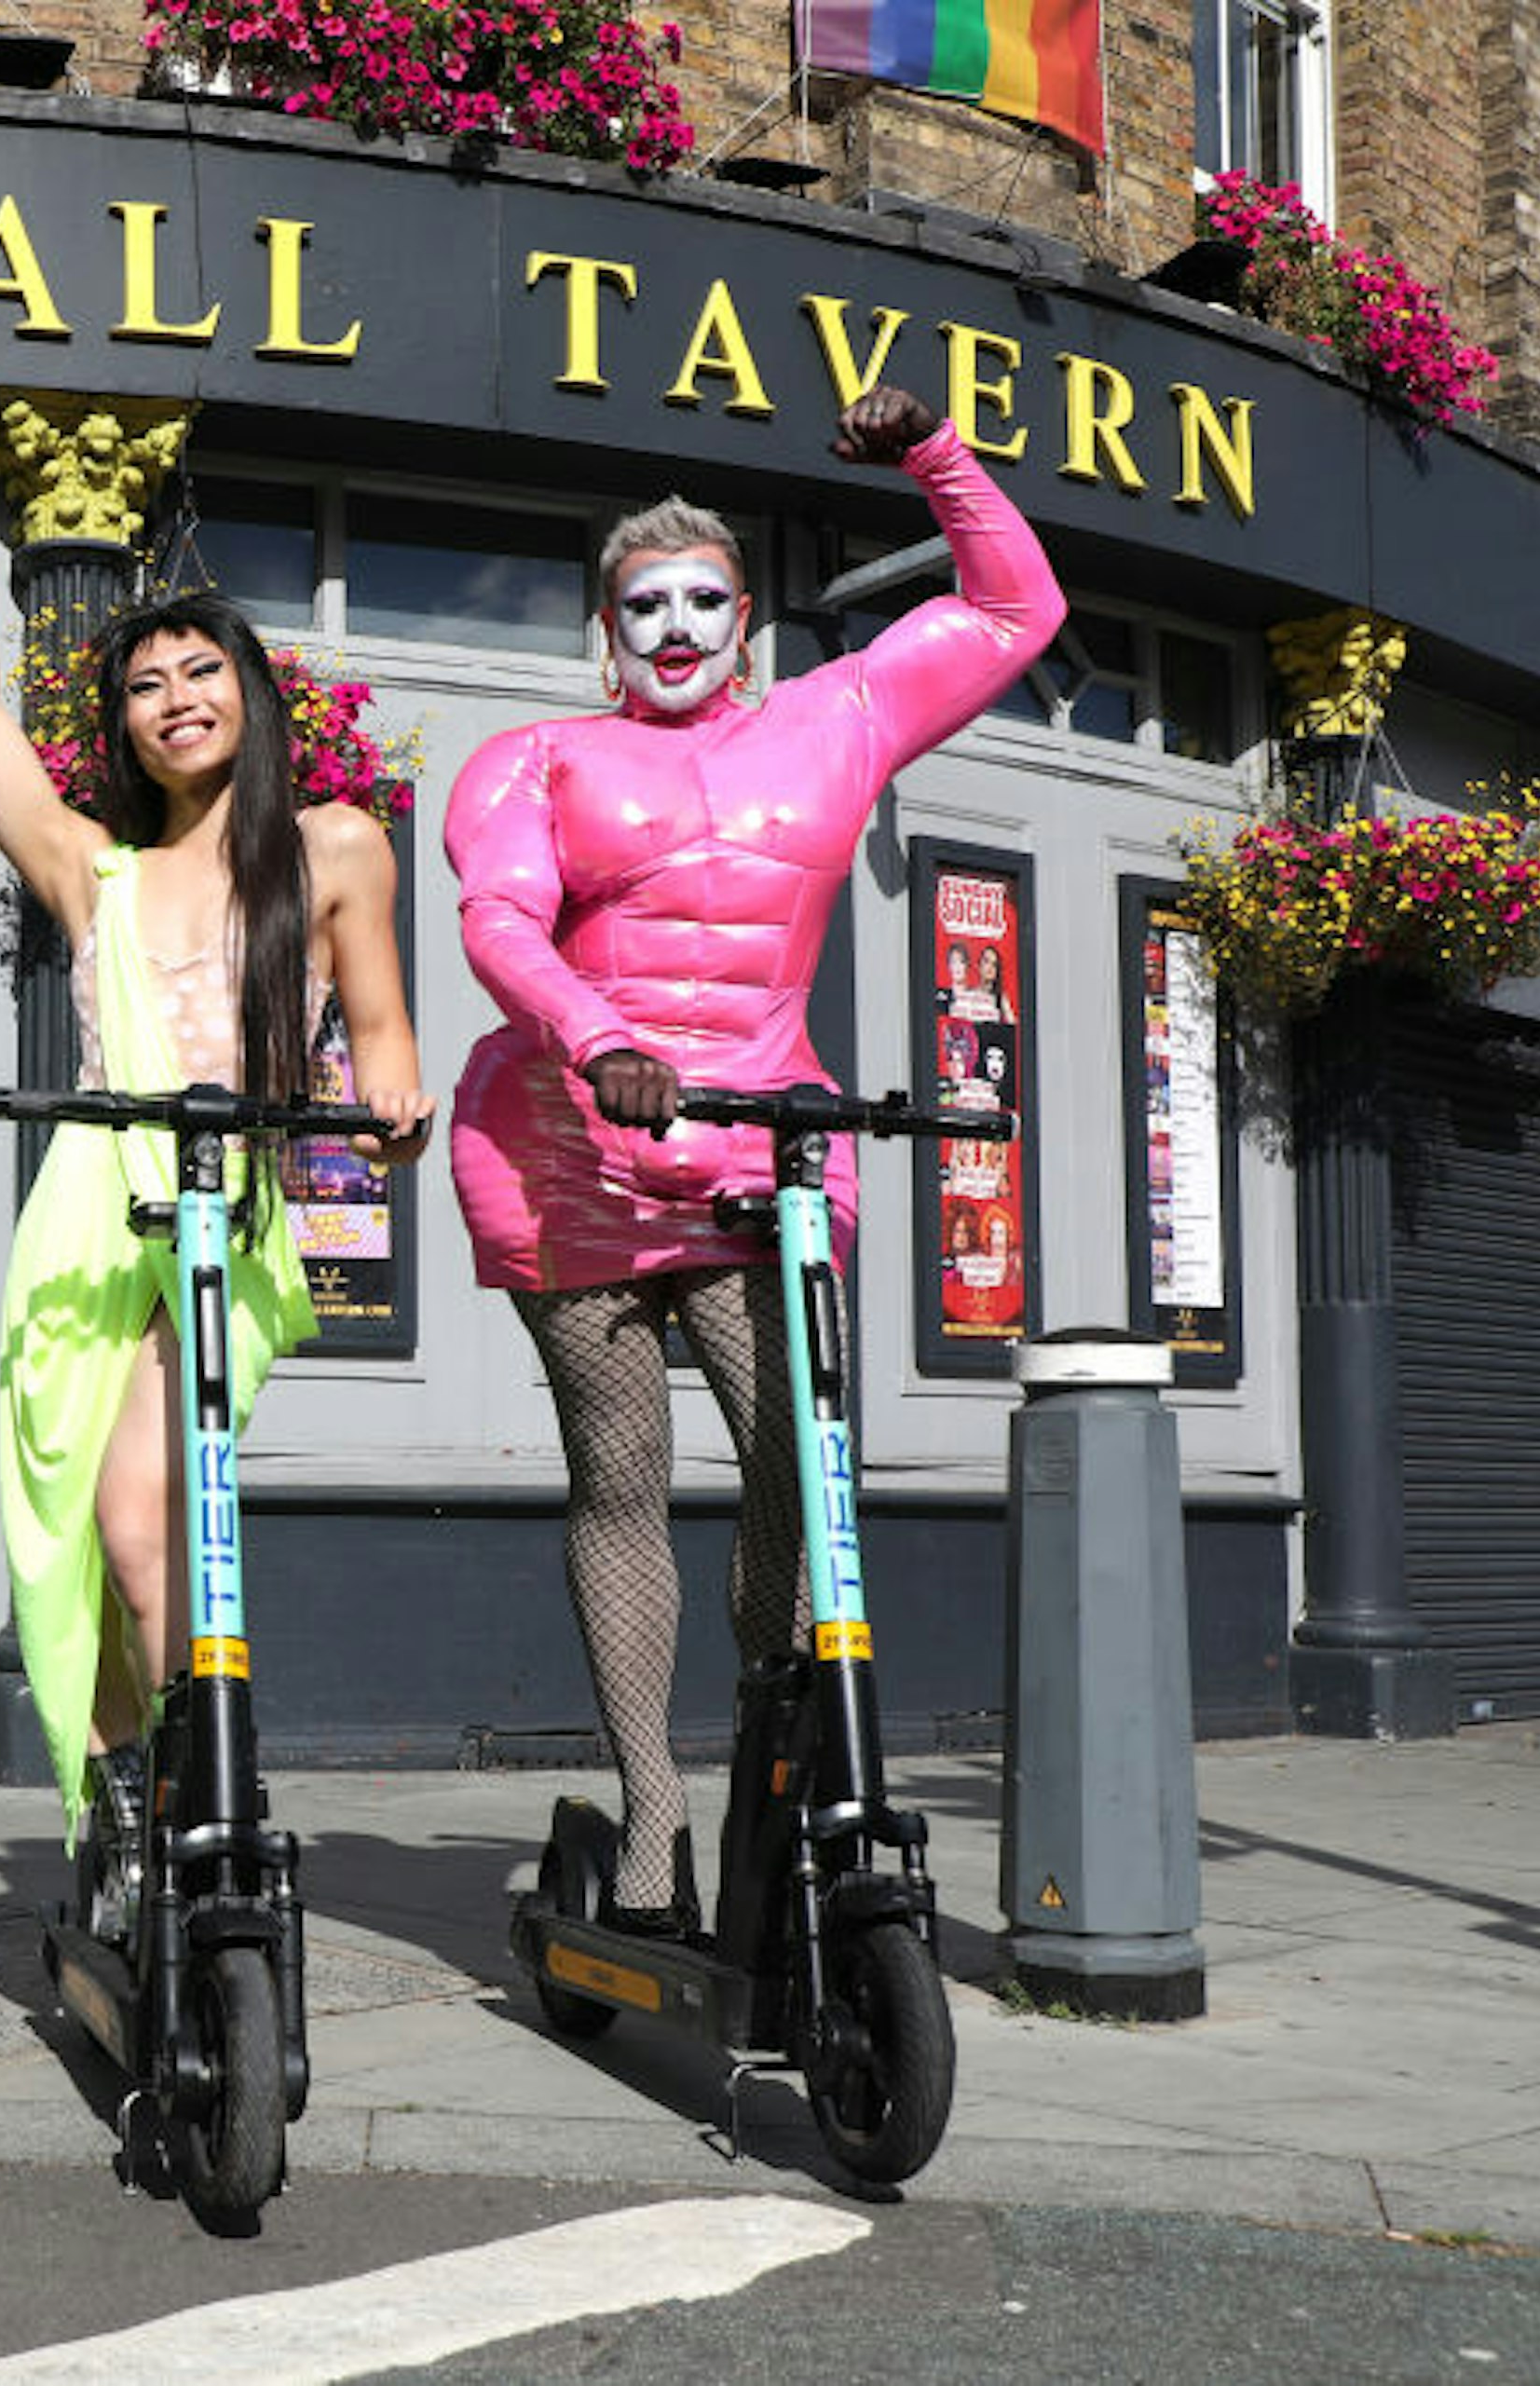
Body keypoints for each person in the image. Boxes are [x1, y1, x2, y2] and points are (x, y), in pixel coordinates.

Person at [441, 385, 1064, 1933]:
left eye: (703, 598)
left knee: (797, 1460)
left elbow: (1017, 602)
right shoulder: (534, 759)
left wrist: (935, 458)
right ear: (604, 633)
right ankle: (650, 1804)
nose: (672, 625)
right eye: (641, 605)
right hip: (571, 1142)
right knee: (623, 1471)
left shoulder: (839, 713)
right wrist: (598, 1043)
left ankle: (773, 1761)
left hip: (760, 1141)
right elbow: (500, 917)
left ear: (746, 621)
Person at [0, 404, 431, 1851]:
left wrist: (392, 1116)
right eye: (144, 685)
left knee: (150, 1530)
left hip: (227, 1208)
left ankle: (193, 1780)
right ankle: (134, 1789)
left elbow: (383, 1045)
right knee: (82, 1533)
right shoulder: (93, 870)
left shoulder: (337, 846)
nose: (175, 697)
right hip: (88, 1212)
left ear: (249, 688)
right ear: (120, 722)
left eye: (200, 670)